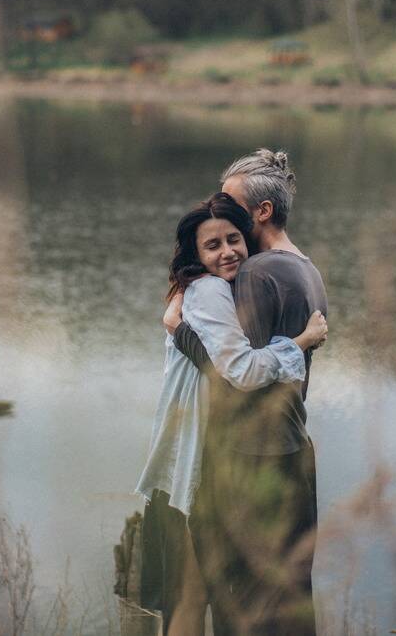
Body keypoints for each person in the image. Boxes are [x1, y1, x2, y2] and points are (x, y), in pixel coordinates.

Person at [135, 192, 328, 636]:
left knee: (194, 589)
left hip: (194, 448)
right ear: (196, 254)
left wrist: (179, 330)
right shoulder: (207, 292)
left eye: (233, 239)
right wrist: (302, 340)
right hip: (199, 453)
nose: (227, 252)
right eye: (213, 245)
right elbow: (240, 371)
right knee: (195, 590)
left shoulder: (216, 289)